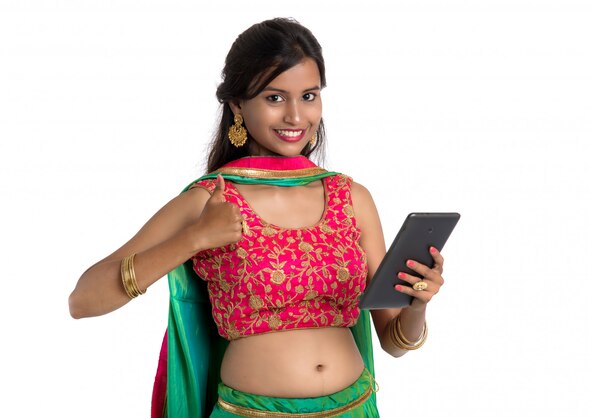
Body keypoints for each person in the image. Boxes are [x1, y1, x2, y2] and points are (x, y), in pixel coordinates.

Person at [68, 17, 446, 417]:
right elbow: (83, 299)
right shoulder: (209, 200)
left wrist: (418, 304)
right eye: (275, 98)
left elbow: (393, 340)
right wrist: (193, 240)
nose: (296, 117)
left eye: (309, 96)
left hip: (354, 407)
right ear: (237, 105)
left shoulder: (351, 197)